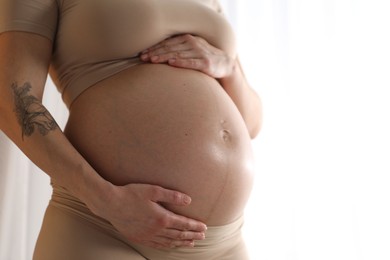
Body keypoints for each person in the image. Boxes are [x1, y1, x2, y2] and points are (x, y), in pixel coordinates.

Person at [0, 0, 262, 259]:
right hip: (105, 230)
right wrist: (105, 201)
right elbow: (11, 100)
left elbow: (251, 123)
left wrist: (229, 68)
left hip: (221, 244)